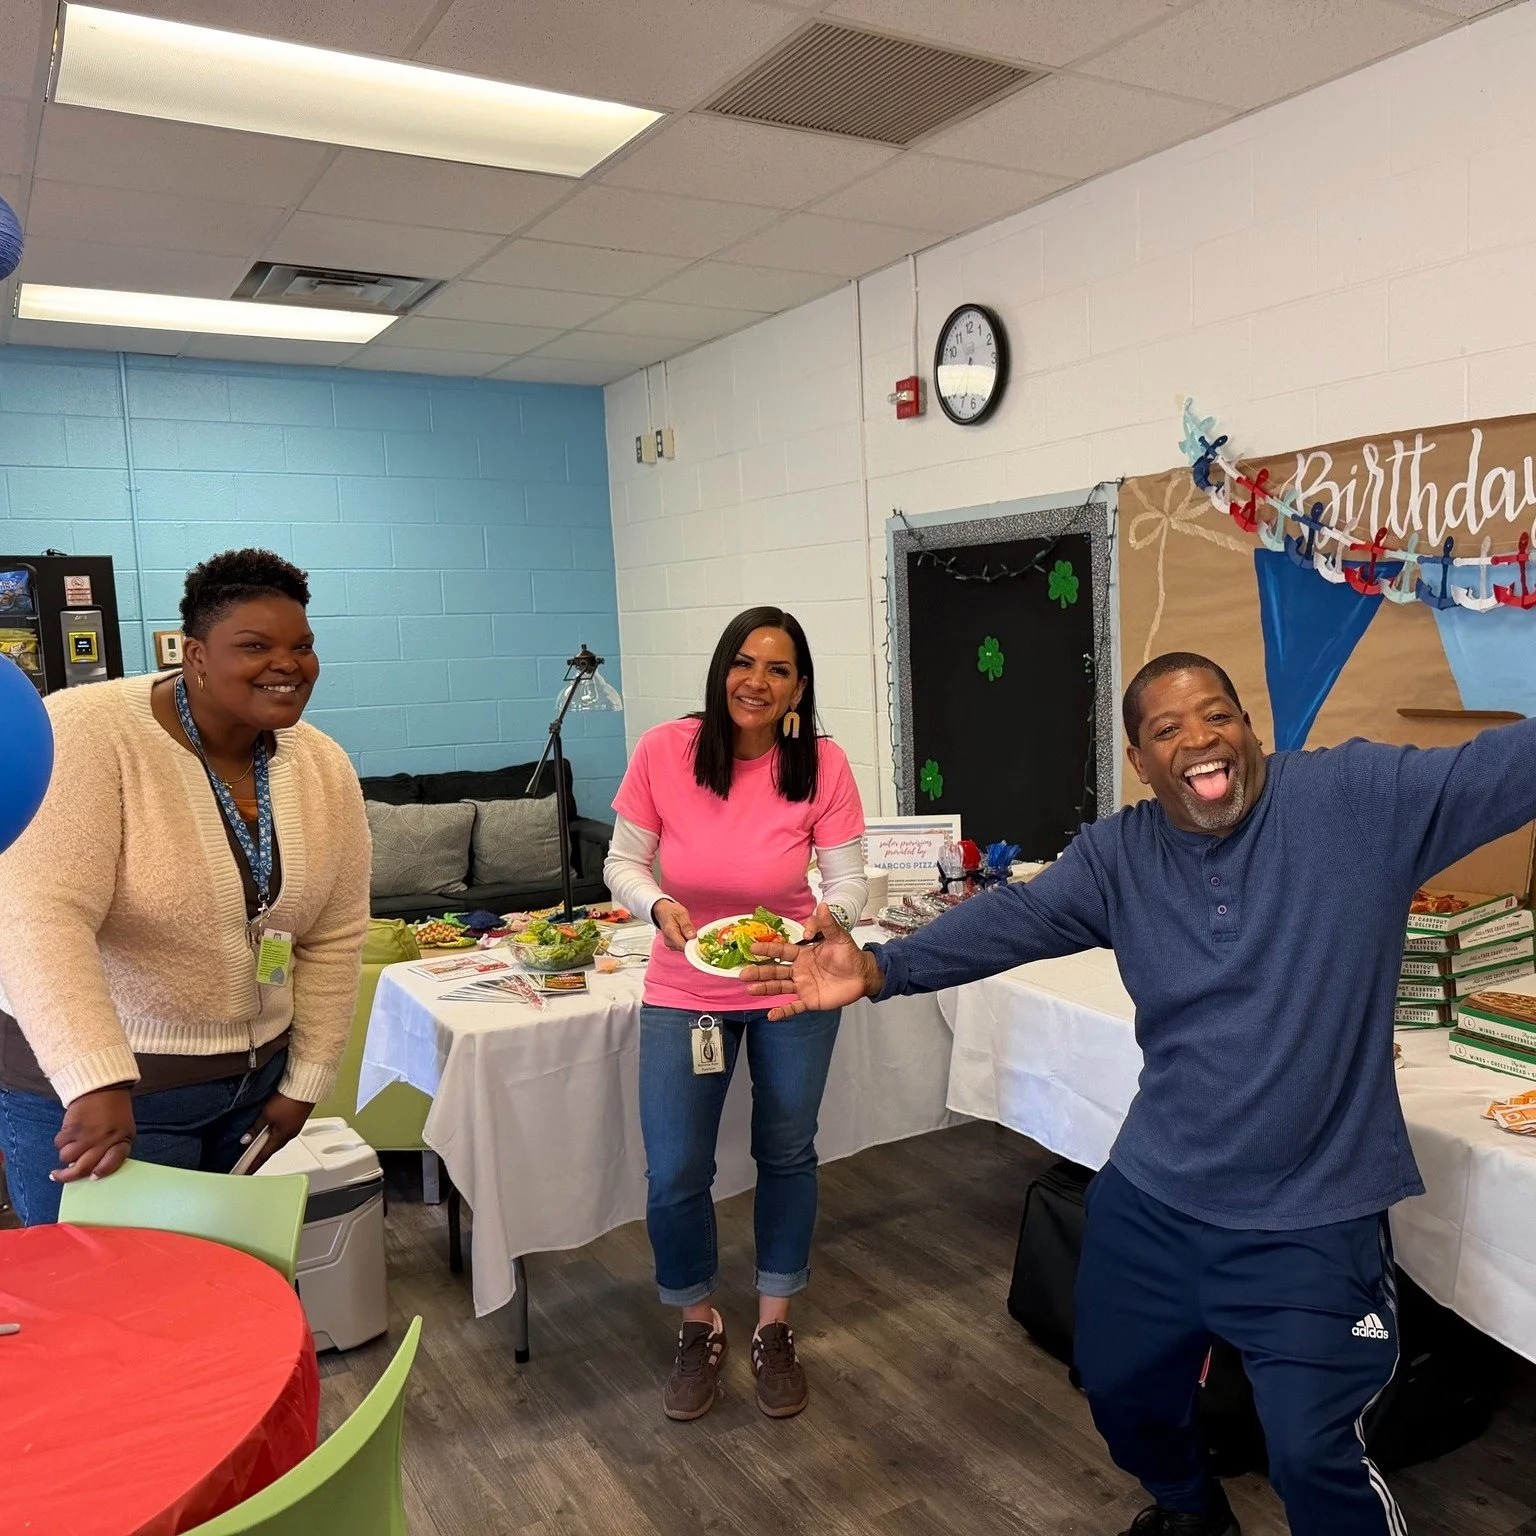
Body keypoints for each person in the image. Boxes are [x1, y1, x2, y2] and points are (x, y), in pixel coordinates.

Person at [743, 649, 1536, 1536]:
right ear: (1139, 760)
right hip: (1157, 1195)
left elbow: (1506, 768)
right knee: (1120, 1390)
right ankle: (1194, 1515)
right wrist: (882, 968)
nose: (1200, 739)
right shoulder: (1120, 854)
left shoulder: (1354, 801)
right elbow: (1017, 917)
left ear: (1248, 726)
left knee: (1316, 1456)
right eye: (1168, 729)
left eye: (1217, 715)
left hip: (1312, 1215)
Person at [0, 548, 371, 1223]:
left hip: (252, 1093)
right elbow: (38, 919)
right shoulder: (85, 733)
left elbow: (335, 934)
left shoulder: (323, 764)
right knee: (107, 1287)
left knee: (226, 1281)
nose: (288, 664)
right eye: (255, 646)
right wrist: (95, 1078)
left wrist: (304, 1082)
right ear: (195, 654)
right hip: (103, 1099)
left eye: (302, 646)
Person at [604, 606, 867, 1422]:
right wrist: (656, 906)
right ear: (722, 670)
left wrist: (829, 922)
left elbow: (849, 880)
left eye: (778, 669)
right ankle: (698, 1321)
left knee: (787, 1152)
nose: (757, 681)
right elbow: (622, 861)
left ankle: (774, 1324)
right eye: (744, 663)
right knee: (676, 1169)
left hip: (789, 981)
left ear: (799, 687)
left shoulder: (821, 762)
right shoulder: (665, 750)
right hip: (685, 990)